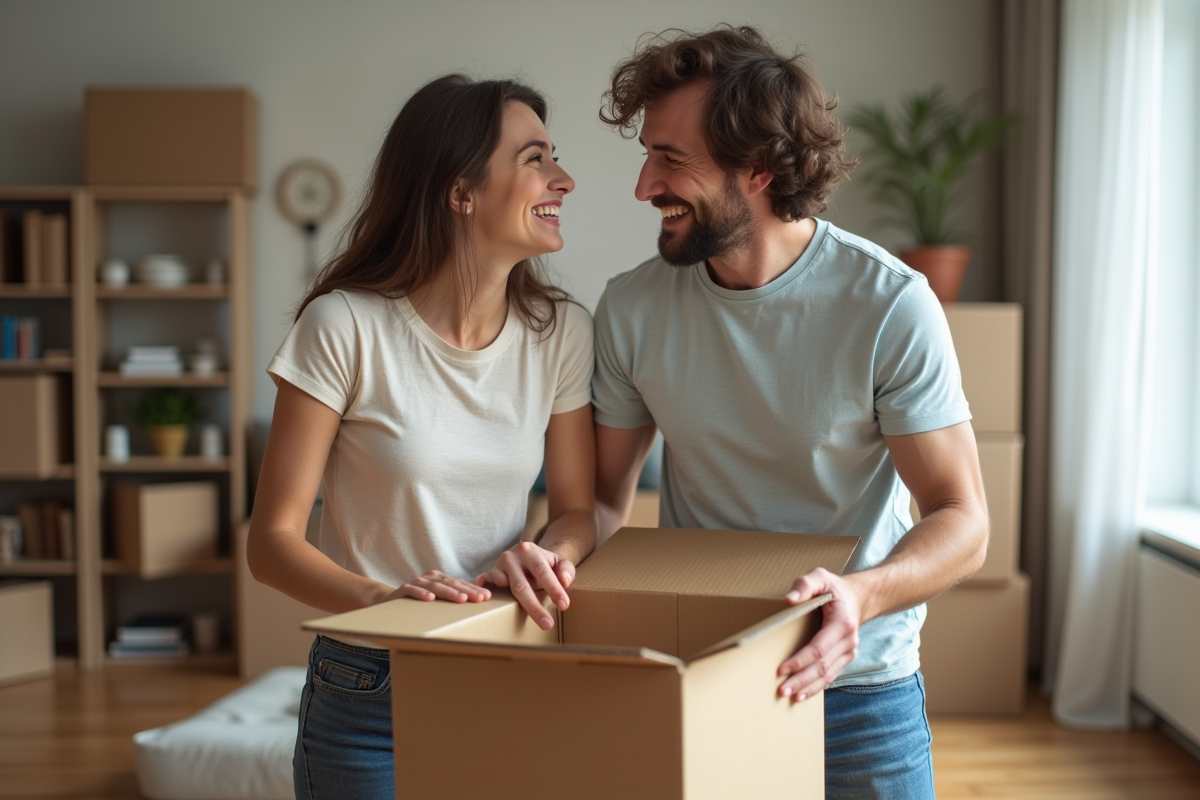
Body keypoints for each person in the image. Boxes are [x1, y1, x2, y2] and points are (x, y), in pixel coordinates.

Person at [592, 26, 988, 798]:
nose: (644, 186)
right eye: (648, 155)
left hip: (860, 687)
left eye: (670, 159)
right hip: (701, 673)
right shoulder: (632, 308)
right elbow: (603, 504)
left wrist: (861, 595)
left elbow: (962, 518)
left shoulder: (889, 304)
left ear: (761, 169)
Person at [247, 74, 596, 800]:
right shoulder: (343, 326)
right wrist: (390, 601)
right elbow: (271, 543)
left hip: (503, 662)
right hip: (367, 682)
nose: (563, 178)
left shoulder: (561, 332)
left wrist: (544, 556)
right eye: (535, 159)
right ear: (460, 190)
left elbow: (575, 511)